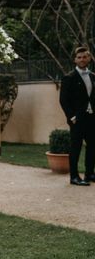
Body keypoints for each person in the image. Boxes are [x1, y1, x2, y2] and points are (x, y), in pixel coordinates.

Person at [59, 46, 95, 186]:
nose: (82, 59)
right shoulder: (69, 77)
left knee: (92, 147)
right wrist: (72, 117)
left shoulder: (92, 76)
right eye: (79, 57)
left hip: (92, 118)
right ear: (75, 59)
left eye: (84, 57)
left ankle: (89, 173)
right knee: (76, 147)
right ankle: (74, 177)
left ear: (89, 58)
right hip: (77, 120)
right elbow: (63, 100)